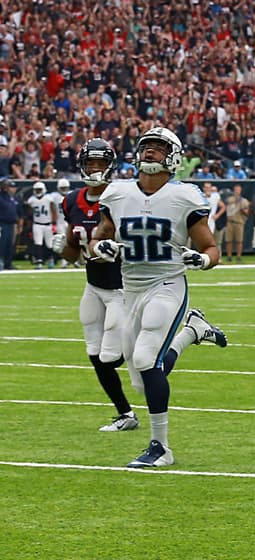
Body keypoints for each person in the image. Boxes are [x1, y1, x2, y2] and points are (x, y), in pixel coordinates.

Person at [88, 126, 226, 468]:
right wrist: (100, 247)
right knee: (142, 375)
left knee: (147, 358)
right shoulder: (117, 193)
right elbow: (98, 238)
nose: (150, 152)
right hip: (129, 288)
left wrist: (204, 260)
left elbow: (211, 247)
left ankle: (161, 447)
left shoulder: (184, 197)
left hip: (167, 284)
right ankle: (192, 331)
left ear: (173, 158)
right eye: (146, 146)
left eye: (158, 148)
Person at [49, 139, 137, 432]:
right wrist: (62, 247)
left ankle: (151, 342)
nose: (95, 169)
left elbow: (138, 242)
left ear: (110, 166)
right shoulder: (72, 200)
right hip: (93, 286)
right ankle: (125, 414)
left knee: (112, 356)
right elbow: (74, 253)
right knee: (95, 353)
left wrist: (120, 248)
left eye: (101, 164)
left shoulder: (122, 197)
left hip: (121, 287)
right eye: (91, 163)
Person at [26, 180, 61, 269]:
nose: (38, 191)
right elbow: (30, 213)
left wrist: (54, 223)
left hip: (48, 224)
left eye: (39, 189)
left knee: (49, 244)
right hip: (37, 224)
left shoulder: (48, 199)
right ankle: (39, 261)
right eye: (37, 190)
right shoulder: (31, 200)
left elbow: (54, 211)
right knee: (38, 243)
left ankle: (51, 259)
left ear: (44, 189)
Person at [223, 183, 249, 262]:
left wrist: (242, 210)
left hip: (239, 222)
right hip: (230, 222)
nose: (237, 191)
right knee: (229, 241)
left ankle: (238, 256)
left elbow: (247, 213)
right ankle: (229, 256)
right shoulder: (230, 199)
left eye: (238, 190)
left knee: (239, 241)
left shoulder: (244, 201)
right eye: (236, 190)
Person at [0, 179, 17, 269]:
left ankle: (8, 263)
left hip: (11, 224)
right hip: (2, 224)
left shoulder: (12, 198)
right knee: (2, 244)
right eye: (8, 186)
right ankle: (1, 262)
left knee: (9, 244)